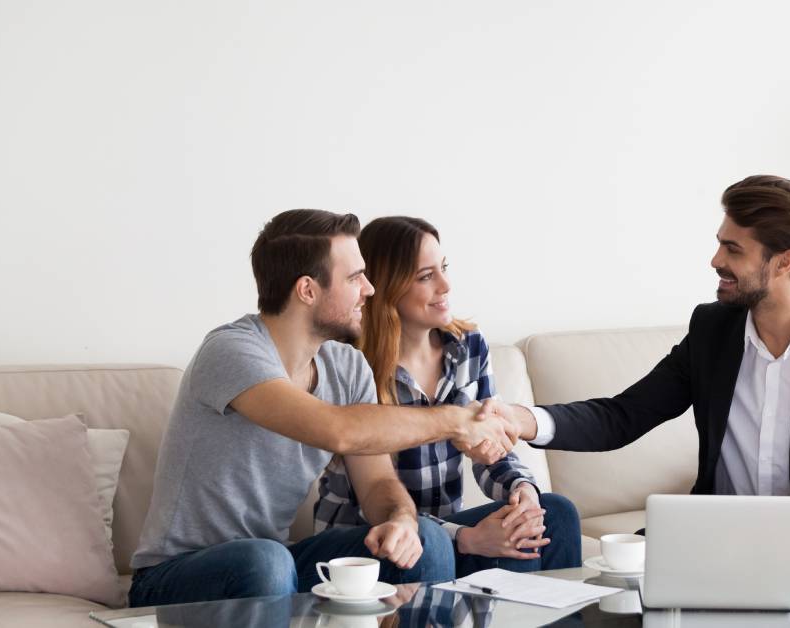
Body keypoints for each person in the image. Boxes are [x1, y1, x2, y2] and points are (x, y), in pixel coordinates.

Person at [485, 176, 790, 612]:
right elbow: (623, 416)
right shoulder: (712, 331)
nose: (715, 259)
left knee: (763, 577)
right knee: (623, 582)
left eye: (733, 249)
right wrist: (521, 420)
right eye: (720, 243)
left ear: (785, 262)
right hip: (713, 537)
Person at [129, 209, 518, 606]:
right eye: (354, 278)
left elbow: (377, 483)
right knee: (265, 559)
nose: (369, 289)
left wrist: (399, 517)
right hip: (173, 577)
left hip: (275, 564)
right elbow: (337, 429)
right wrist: (457, 420)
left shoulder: (346, 366)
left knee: (426, 538)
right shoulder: (231, 351)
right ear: (308, 290)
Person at [316, 216, 581, 577]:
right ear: (387, 287)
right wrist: (467, 538)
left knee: (554, 514)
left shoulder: (468, 347)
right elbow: (371, 500)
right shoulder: (351, 365)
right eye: (426, 277)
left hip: (443, 532)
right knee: (456, 541)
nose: (446, 285)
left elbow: (493, 451)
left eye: (443, 268)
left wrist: (522, 494)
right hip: (374, 539)